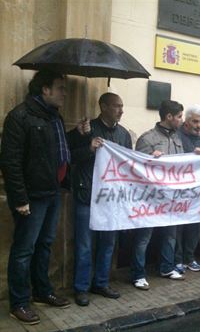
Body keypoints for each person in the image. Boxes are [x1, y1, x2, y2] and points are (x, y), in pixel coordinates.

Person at [0, 70, 71, 324]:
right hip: (32, 197)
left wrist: (81, 135)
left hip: (52, 192)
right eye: (60, 87)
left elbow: (58, 151)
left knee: (44, 245)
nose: (65, 93)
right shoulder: (20, 117)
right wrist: (19, 199)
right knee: (23, 250)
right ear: (45, 89)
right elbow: (10, 162)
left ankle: (42, 292)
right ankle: (18, 303)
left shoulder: (55, 118)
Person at [67, 92, 132, 306]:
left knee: (107, 244)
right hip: (88, 195)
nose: (121, 110)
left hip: (111, 199)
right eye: (116, 106)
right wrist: (88, 146)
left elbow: (129, 164)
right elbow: (70, 157)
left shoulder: (123, 134)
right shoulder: (87, 129)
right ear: (103, 106)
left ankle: (101, 283)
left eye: (122, 106)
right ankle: (81, 288)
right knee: (85, 245)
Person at [131, 100, 185, 289]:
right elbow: (137, 169)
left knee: (171, 234)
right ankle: (138, 274)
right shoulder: (147, 139)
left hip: (171, 197)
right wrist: (150, 159)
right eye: (179, 116)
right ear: (168, 117)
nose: (181, 120)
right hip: (151, 199)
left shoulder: (178, 138)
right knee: (144, 236)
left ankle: (166, 267)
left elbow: (183, 164)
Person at [174, 104, 200, 274]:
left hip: (199, 194)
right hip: (180, 191)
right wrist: (191, 153)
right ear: (187, 121)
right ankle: (177, 259)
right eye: (195, 121)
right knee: (178, 227)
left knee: (195, 227)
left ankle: (189, 258)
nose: (199, 125)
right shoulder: (176, 136)